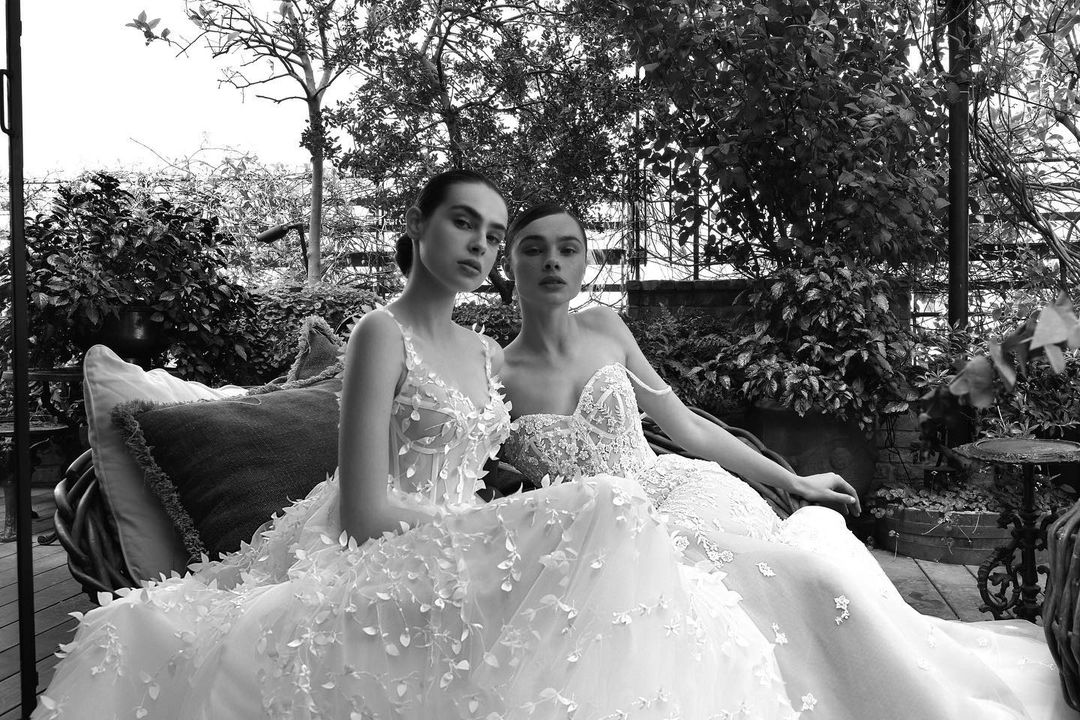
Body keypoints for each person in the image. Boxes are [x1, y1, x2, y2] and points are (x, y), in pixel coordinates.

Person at [33, 172, 796, 720]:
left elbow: (504, 465)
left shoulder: (485, 351)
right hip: (382, 543)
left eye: (493, 235)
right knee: (607, 511)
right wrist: (501, 528)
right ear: (420, 224)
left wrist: (527, 513)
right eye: (464, 222)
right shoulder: (381, 331)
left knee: (611, 532)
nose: (480, 244)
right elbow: (364, 512)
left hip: (465, 539)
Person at [498, 202, 1074, 720]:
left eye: (567, 248)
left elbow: (688, 428)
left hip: (677, 492)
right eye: (534, 248)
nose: (552, 261)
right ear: (508, 261)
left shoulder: (605, 327)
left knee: (811, 577)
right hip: (598, 541)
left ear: (585, 263)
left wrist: (796, 480)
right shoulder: (492, 371)